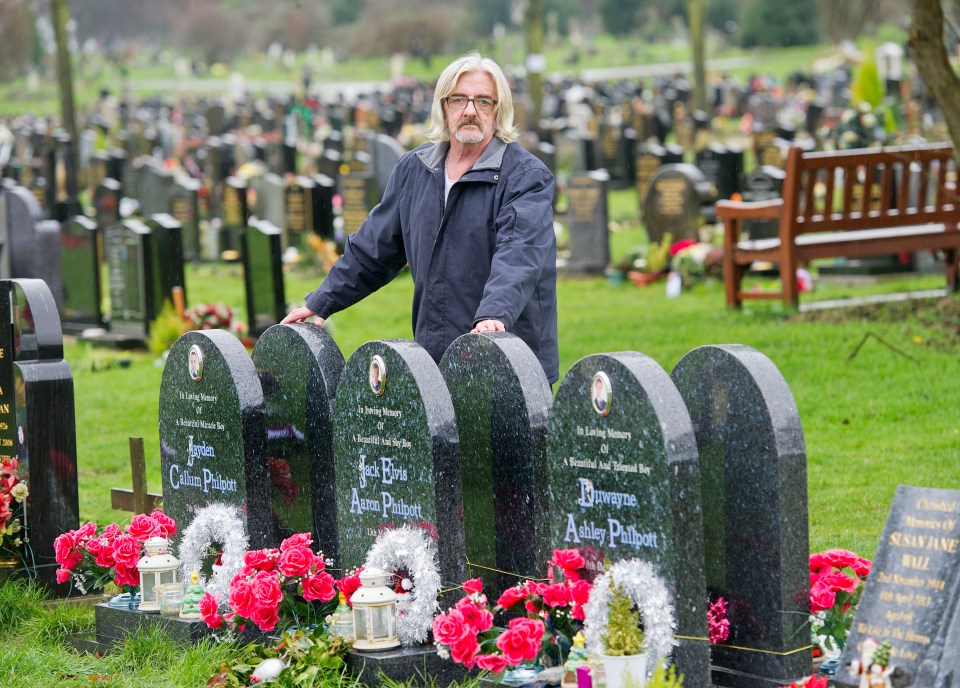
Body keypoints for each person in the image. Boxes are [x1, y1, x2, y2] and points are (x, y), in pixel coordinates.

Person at [281, 52, 559, 383]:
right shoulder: (416, 169)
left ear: (498, 110)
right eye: (459, 99)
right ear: (443, 106)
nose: (470, 111)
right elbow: (374, 249)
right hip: (435, 357)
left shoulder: (525, 175)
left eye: (484, 101)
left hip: (508, 358)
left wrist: (493, 316)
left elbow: (519, 253)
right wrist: (321, 301)